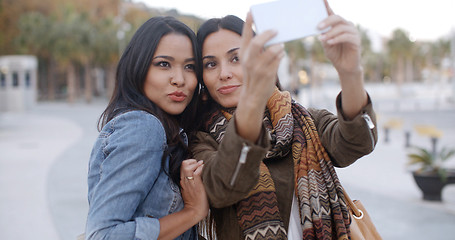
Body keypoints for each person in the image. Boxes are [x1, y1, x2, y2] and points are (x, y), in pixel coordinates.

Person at [190, 1, 378, 239]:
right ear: (201, 77)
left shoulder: (304, 120)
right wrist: (253, 98)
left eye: (236, 58)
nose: (224, 73)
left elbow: (358, 142)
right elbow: (225, 185)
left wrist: (350, 72)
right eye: (211, 64)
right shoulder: (201, 140)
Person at [85, 16, 208, 240]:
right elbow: (102, 235)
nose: (179, 79)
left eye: (190, 67)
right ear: (138, 67)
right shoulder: (144, 127)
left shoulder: (166, 127)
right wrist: (193, 212)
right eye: (163, 64)